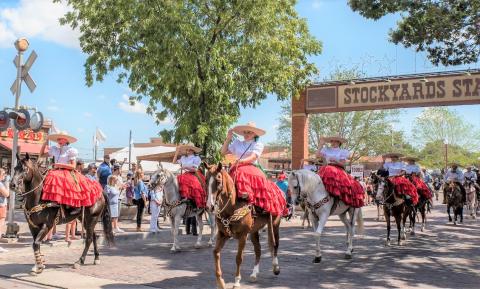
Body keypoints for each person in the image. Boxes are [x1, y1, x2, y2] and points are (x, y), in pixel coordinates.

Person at [221, 122, 286, 215]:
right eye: (245, 132)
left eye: (249, 132)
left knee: (243, 173)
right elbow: (223, 152)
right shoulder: (237, 143)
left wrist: (241, 161)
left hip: (251, 167)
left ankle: (258, 205)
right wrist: (228, 139)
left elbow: (253, 157)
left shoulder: (258, 144)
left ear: (254, 134)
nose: (246, 134)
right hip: (236, 167)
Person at [40, 131, 103, 214]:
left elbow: (73, 166)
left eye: (61, 138)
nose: (59, 140)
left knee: (67, 182)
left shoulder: (70, 150)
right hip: (56, 170)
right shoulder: (54, 149)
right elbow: (41, 155)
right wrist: (44, 143)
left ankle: (75, 206)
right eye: (58, 138)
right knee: (48, 177)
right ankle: (50, 201)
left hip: (67, 171)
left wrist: (60, 164)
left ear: (66, 140)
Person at [315, 136, 364, 208]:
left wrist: (335, 161)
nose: (333, 143)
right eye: (332, 141)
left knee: (331, 172)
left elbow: (343, 164)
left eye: (335, 141)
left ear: (339, 143)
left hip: (338, 169)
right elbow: (317, 155)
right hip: (326, 168)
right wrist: (320, 145)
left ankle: (337, 198)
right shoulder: (326, 150)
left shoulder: (342, 151)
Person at [173, 144, 206, 208]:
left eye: (189, 149)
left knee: (187, 180)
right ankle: (178, 198)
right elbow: (173, 162)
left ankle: (190, 201)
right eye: (187, 149)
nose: (187, 151)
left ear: (193, 151)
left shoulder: (196, 158)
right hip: (186, 174)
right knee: (178, 179)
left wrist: (186, 167)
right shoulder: (183, 158)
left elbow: (195, 169)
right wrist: (177, 152)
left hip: (194, 173)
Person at [0, 168, 9, 253]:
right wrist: (8, 185)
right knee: (0, 225)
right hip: (1, 206)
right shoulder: (0, 184)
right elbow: (7, 194)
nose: (5, 175)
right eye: (3, 174)